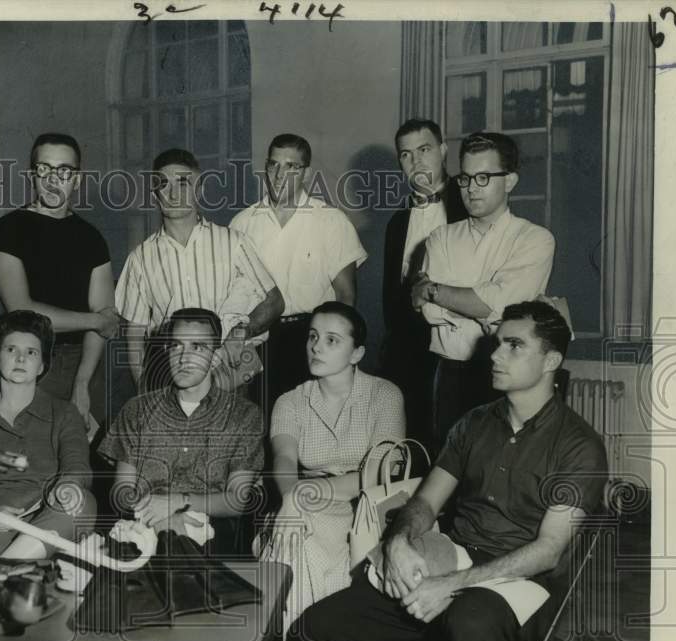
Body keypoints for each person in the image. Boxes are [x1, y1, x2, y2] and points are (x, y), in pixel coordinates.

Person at [288, 300, 608, 641]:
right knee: (317, 630)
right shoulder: (474, 424)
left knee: (469, 621)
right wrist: (399, 543)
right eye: (497, 342)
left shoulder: (578, 445)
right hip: (458, 557)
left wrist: (450, 585)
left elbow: (548, 551)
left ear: (550, 362)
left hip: (526, 586)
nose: (495, 354)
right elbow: (423, 502)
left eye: (513, 345)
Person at [98, 307, 265, 641]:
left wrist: (179, 504)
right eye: (175, 346)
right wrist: (155, 513)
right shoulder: (138, 410)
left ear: (216, 356)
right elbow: (121, 491)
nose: (183, 356)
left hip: (215, 535)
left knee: (180, 551)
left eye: (198, 347)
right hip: (145, 525)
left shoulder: (243, 416)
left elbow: (237, 499)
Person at [246, 302, 404, 641]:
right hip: (309, 505)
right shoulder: (292, 400)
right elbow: (282, 460)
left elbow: (382, 472)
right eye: (313, 336)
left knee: (286, 546)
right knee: (295, 538)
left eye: (332, 340)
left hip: (367, 508)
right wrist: (294, 497)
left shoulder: (384, 396)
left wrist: (308, 495)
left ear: (357, 352)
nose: (317, 346)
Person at [412, 131, 555, 451]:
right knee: (445, 465)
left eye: (483, 177)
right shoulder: (440, 237)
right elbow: (430, 312)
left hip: (507, 377)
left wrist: (435, 289)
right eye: (464, 178)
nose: (471, 188)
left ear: (510, 181)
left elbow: (503, 306)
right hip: (448, 373)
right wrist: (480, 306)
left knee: (499, 470)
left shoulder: (535, 239)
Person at [115, 148, 284, 393]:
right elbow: (134, 337)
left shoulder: (233, 242)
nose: (173, 193)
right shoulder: (140, 258)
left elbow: (275, 302)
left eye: (183, 182)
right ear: (154, 193)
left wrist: (240, 334)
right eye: (163, 184)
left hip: (229, 371)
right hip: (173, 376)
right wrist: (144, 392)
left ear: (200, 189)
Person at [0, 133, 118, 431]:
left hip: (86, 363)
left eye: (64, 171)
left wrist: (83, 383)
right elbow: (24, 313)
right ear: (32, 175)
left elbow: (106, 317)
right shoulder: (7, 231)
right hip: (29, 359)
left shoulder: (91, 238)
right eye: (43, 169)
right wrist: (95, 320)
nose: (52, 180)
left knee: (82, 463)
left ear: (78, 180)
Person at [230, 134, 367, 405]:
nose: (279, 175)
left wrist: (335, 351)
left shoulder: (331, 221)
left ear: (307, 172)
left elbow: (346, 298)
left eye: (291, 167)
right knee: (261, 424)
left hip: (311, 338)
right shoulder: (242, 224)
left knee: (311, 426)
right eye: (273, 165)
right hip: (259, 340)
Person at [0, 310, 96, 559]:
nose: (20, 358)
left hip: (51, 517)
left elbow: (77, 465)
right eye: (11, 350)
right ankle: (3, 573)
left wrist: (67, 485)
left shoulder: (64, 412)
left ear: (42, 365)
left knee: (81, 502)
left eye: (31, 352)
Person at [380, 119, 468, 454]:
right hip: (409, 353)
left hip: (460, 352)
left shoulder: (469, 207)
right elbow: (391, 300)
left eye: (424, 149)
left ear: (444, 151)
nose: (416, 161)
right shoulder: (397, 223)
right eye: (406, 155)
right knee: (410, 445)